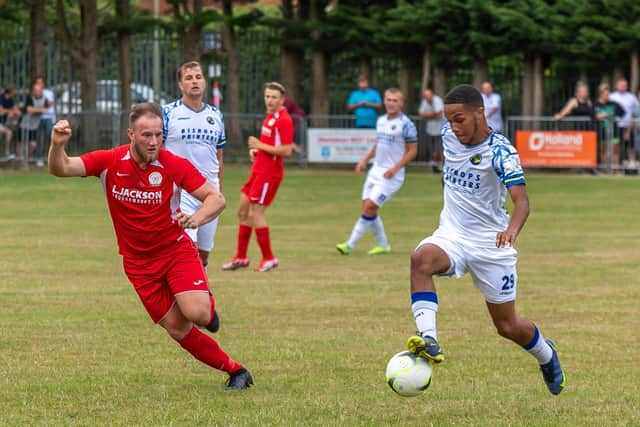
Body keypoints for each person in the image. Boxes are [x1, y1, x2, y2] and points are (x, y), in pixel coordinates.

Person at [47, 103, 253, 391]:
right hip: (138, 265)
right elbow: (62, 168)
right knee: (177, 328)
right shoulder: (110, 161)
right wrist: (57, 145)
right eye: (146, 135)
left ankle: (206, 304)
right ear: (131, 133)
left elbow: (216, 199)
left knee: (198, 314)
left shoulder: (171, 163)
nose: (154, 142)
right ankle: (237, 371)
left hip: (175, 251)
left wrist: (195, 218)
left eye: (158, 135)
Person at [406, 84, 565, 396]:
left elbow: (522, 202)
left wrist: (512, 232)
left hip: (492, 246)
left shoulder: (501, 152)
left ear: (480, 112)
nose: (453, 127)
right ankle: (429, 339)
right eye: (449, 120)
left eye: (460, 119)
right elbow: (449, 172)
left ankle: (546, 355)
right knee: (421, 259)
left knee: (508, 327)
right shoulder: (448, 136)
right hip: (452, 236)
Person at [336, 88, 418, 255]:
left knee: (369, 207)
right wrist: (365, 160)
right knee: (368, 208)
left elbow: (412, 151)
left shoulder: (407, 124)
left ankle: (349, 245)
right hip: (375, 171)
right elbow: (378, 144)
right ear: (384, 102)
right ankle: (383, 245)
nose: (391, 103)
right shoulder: (381, 120)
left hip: (392, 175)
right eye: (388, 99)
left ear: (401, 103)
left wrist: (395, 168)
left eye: (395, 100)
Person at [222, 82, 293, 272]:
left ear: (282, 100)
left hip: (269, 174)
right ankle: (241, 257)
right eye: (267, 96)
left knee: (256, 213)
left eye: (274, 97)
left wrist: (260, 146)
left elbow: (286, 150)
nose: (269, 100)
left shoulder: (284, 120)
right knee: (242, 212)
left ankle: (269, 258)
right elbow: (271, 147)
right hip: (258, 170)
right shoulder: (270, 117)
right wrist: (257, 152)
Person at [163, 60, 226, 269]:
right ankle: (188, 297)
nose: (194, 81)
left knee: (204, 253)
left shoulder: (215, 115)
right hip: (182, 191)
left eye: (198, 77)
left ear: (204, 82)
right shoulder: (168, 113)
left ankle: (200, 295)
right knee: (187, 247)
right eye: (188, 78)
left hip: (209, 191)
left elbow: (219, 155)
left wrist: (218, 188)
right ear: (180, 85)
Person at [608, 78, 640, 166]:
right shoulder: (611, 97)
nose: (623, 87)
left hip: (629, 126)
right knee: (616, 147)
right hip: (615, 126)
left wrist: (632, 124)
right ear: (617, 86)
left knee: (631, 147)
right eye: (621, 85)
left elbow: (637, 111)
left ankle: (632, 166)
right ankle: (616, 167)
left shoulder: (632, 97)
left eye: (625, 85)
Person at [19, 81, 51, 166]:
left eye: (39, 90)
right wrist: (40, 110)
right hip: (25, 124)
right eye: (35, 90)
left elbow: (47, 108)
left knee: (33, 144)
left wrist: (48, 106)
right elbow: (29, 110)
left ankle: (26, 159)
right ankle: (21, 160)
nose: (37, 92)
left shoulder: (44, 99)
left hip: (34, 125)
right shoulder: (29, 98)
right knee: (22, 143)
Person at [594, 83, 625, 167]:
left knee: (615, 150)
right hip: (601, 131)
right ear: (600, 94)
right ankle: (604, 168)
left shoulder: (613, 104)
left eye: (608, 94)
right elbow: (593, 115)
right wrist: (601, 115)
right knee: (603, 150)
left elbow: (622, 112)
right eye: (605, 94)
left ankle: (615, 169)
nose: (607, 96)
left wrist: (610, 115)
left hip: (614, 130)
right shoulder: (595, 105)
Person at [418, 88, 445, 173]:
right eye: (426, 96)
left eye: (429, 96)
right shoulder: (424, 102)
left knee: (439, 150)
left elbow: (439, 114)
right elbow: (421, 114)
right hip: (430, 130)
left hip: (440, 129)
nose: (427, 98)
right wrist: (433, 115)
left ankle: (443, 167)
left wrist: (427, 115)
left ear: (432, 95)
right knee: (432, 150)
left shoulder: (437, 100)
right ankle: (435, 167)